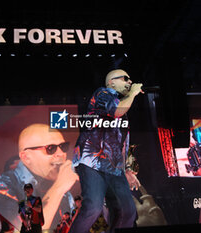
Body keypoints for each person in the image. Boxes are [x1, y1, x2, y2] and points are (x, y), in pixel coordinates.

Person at [69, 69, 144, 233]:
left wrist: (128, 170)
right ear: (111, 82)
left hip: (114, 167)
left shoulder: (123, 111)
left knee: (128, 210)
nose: (130, 82)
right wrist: (132, 93)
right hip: (93, 161)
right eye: (125, 78)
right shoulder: (103, 93)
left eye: (130, 80)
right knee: (93, 207)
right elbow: (115, 110)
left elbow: (123, 143)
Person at [0, 124, 79, 232]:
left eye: (63, 146)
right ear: (26, 157)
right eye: (51, 148)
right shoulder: (4, 185)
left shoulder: (64, 192)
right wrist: (58, 188)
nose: (61, 154)